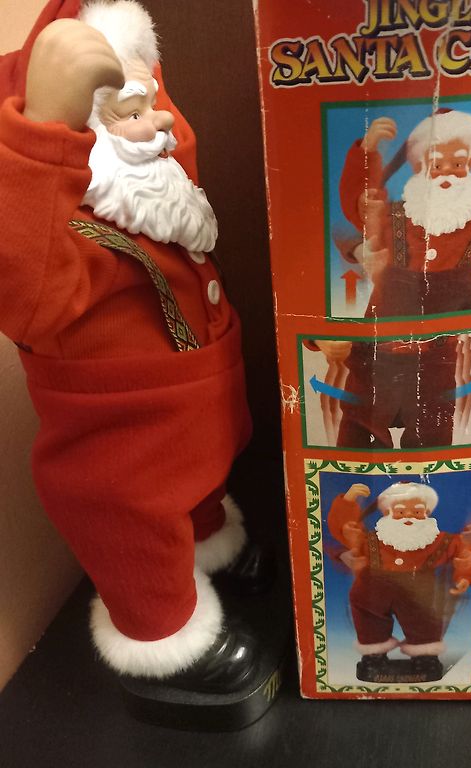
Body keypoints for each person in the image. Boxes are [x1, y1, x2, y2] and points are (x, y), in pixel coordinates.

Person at [0, 0, 269, 702]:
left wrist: (134, 88)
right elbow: (20, 281)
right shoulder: (59, 227)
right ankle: (164, 635)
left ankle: (207, 541)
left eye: (153, 106)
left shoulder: (148, 189)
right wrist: (41, 131)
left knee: (198, 486)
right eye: (128, 115)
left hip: (194, 414)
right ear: (82, 133)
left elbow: (169, 150)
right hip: (122, 446)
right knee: (136, 533)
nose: (157, 126)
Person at [310, 109, 471, 449]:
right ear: (421, 168)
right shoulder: (397, 215)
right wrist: (366, 153)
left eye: (457, 163)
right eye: (437, 164)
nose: (447, 173)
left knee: (433, 425)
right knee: (360, 421)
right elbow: (359, 207)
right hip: (379, 350)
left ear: (470, 164)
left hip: (437, 355)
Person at [328, 481, 471, 683]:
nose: (409, 516)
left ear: (427, 513)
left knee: (425, 621)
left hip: (419, 591)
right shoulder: (370, 541)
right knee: (369, 622)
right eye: (400, 512)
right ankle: (374, 657)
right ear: (387, 513)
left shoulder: (439, 541)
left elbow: (464, 553)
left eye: (417, 512)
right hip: (372, 591)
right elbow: (345, 530)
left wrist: (464, 577)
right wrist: (348, 502)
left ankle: (425, 657)